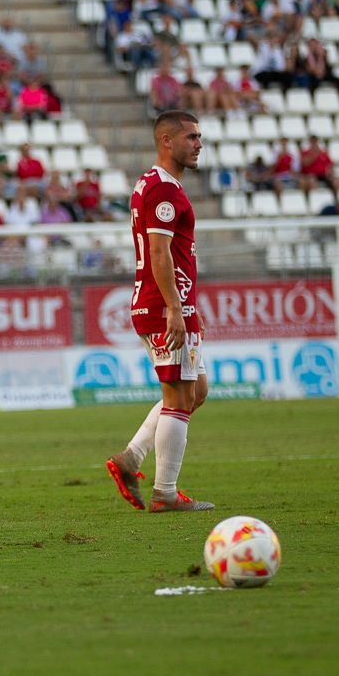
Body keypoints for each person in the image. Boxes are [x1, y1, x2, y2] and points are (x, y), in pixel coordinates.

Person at [105, 110, 214, 514]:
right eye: (191, 137)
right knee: (179, 397)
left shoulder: (154, 184)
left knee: (195, 391)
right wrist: (174, 308)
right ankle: (165, 493)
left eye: (199, 137)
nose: (198, 144)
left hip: (172, 302)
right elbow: (158, 252)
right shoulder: (163, 190)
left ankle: (131, 458)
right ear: (166, 140)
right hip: (162, 305)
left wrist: (186, 306)